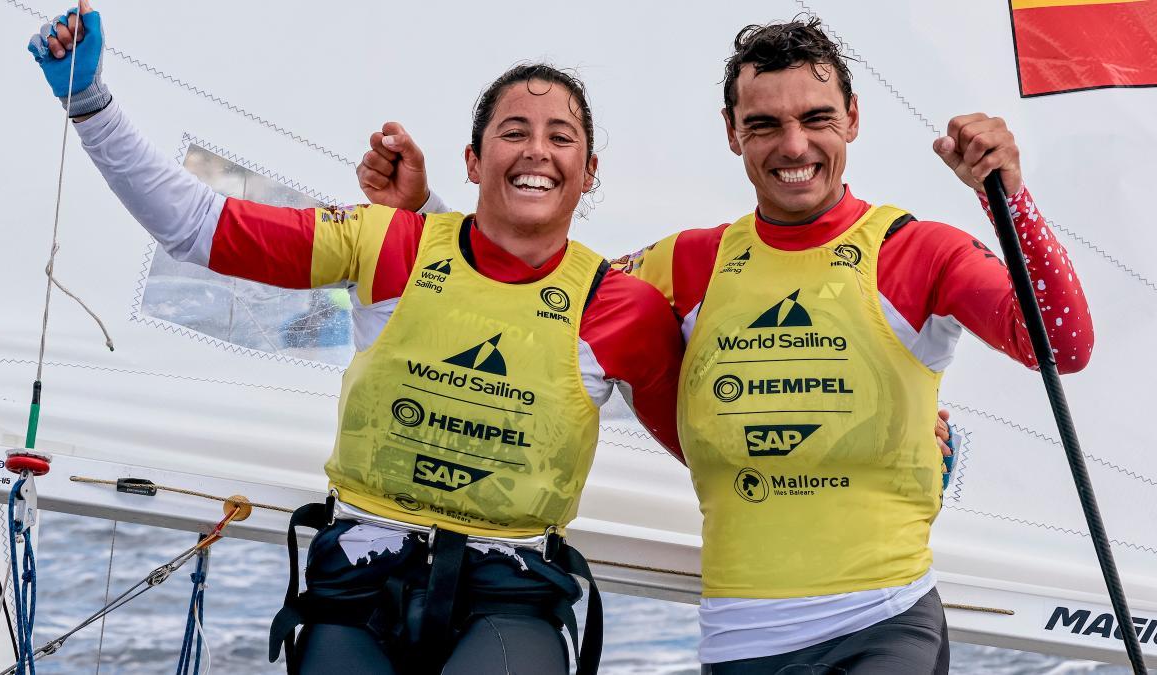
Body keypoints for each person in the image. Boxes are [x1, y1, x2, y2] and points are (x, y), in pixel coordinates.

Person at [361, 17, 1093, 675]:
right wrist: (428, 216)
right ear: (731, 130)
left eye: (817, 118)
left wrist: (1007, 195)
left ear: (854, 120)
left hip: (885, 622)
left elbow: (1061, 343)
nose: (795, 145)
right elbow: (535, 295)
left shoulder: (917, 251)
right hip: (743, 640)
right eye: (765, 123)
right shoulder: (688, 262)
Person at [27, 4, 687, 674]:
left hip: (512, 591)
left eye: (561, 137)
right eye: (513, 131)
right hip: (360, 578)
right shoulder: (386, 242)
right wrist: (90, 102)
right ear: (473, 157)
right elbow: (196, 225)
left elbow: (715, 450)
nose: (536, 151)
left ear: (590, 168)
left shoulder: (622, 307)